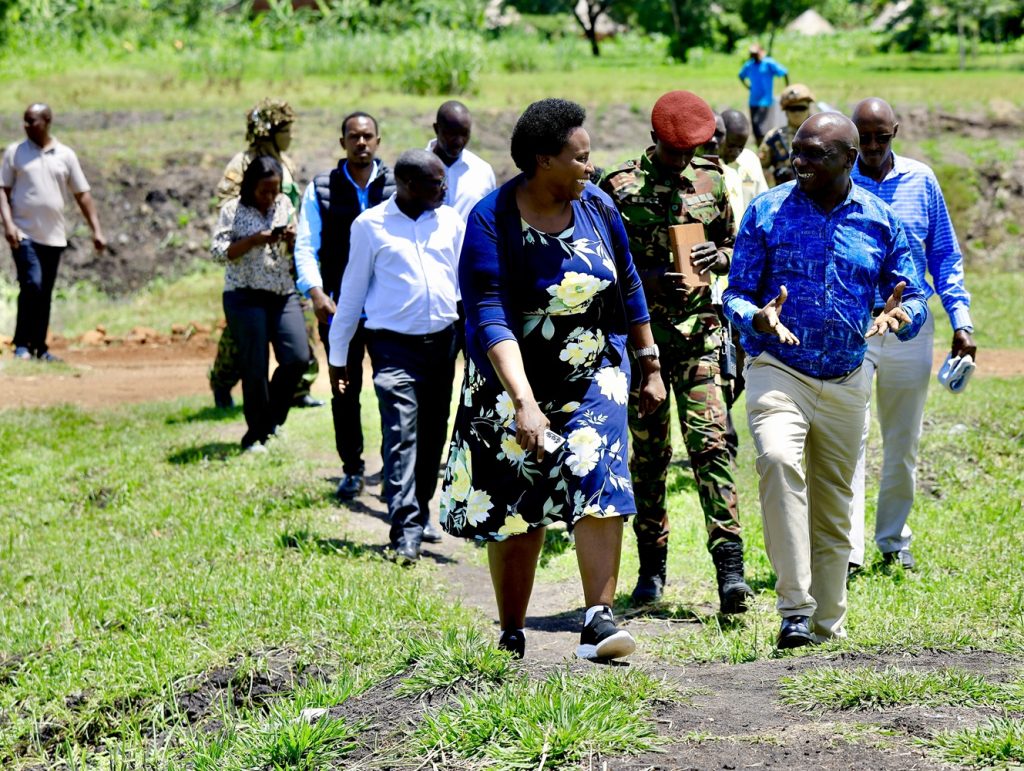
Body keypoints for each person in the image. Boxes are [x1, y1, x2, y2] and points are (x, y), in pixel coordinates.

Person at [442, 97, 666, 661]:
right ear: (544, 160)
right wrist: (524, 401)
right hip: (508, 379)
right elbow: (488, 314)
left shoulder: (597, 207)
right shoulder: (490, 219)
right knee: (518, 500)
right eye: (580, 158)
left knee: (600, 474)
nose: (591, 168)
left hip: (593, 369)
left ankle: (597, 619)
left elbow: (629, 285)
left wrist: (649, 364)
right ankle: (511, 630)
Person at [723, 113, 928, 648]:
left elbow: (913, 292)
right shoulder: (768, 210)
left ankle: (826, 625)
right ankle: (794, 609)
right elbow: (735, 292)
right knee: (776, 459)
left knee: (836, 508)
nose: (801, 162)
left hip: (846, 378)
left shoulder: (881, 220)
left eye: (815, 154)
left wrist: (904, 315)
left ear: (849, 158)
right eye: (798, 151)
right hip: (778, 370)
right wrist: (756, 317)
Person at [601, 91, 753, 613]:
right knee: (649, 459)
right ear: (654, 140)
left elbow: (737, 247)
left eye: (692, 152)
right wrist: (643, 279)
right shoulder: (618, 186)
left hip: (699, 337)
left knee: (712, 447)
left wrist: (719, 255)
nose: (683, 161)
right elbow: (599, 266)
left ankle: (731, 573)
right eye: (674, 152)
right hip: (645, 346)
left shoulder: (711, 180)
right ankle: (652, 571)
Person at [848, 97, 976, 573]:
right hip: (856, 327)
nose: (874, 147)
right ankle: (849, 550)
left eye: (883, 137)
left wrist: (961, 320)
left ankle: (892, 540)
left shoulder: (921, 180)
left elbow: (944, 256)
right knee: (850, 439)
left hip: (911, 327)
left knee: (902, 442)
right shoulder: (839, 181)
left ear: (896, 131)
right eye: (864, 139)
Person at [328, 150, 464, 565]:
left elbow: (465, 287)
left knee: (431, 436)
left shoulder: (451, 221)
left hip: (443, 344)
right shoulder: (370, 227)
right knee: (401, 433)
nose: (444, 189)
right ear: (406, 186)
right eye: (435, 183)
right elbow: (351, 294)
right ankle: (404, 529)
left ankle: (421, 510)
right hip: (392, 347)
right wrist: (338, 357)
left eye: (444, 181)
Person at [294, 112, 396, 503]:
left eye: (368, 136)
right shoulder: (321, 188)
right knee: (344, 390)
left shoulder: (396, 186)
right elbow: (306, 245)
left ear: (378, 140)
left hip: (388, 311)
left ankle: (394, 470)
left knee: (392, 391)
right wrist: (315, 292)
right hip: (338, 309)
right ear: (343, 143)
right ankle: (352, 469)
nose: (361, 143)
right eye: (354, 137)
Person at [209, 98, 322, 411]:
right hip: (249, 268)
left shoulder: (285, 161)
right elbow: (227, 210)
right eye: (286, 130)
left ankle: (298, 389)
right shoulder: (241, 164)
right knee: (239, 339)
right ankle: (222, 384)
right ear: (270, 132)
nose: (291, 136)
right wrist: (256, 232)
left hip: (284, 263)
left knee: (300, 325)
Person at [210, 156, 309, 452]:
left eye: (274, 190)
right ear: (250, 186)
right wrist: (254, 240)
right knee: (255, 365)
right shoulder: (233, 210)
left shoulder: (284, 205)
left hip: (281, 292)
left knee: (297, 358)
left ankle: (271, 420)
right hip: (244, 294)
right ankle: (255, 434)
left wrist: (291, 239)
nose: (269, 197)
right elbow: (217, 252)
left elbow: (298, 249)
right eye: (264, 191)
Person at [2, 103, 106, 362]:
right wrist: (9, 225)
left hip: (54, 236)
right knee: (32, 285)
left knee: (44, 291)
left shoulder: (65, 155)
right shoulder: (15, 153)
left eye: (32, 121)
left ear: (47, 121)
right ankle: (21, 344)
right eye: (25, 121)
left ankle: (40, 347)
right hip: (24, 233)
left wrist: (97, 230)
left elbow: (82, 194)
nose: (27, 126)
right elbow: (2, 191)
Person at [427, 100, 497, 222]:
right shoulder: (415, 169)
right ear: (436, 129)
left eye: (464, 134)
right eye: (452, 134)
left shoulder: (483, 172)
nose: (459, 141)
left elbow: (491, 218)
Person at [759, 84, 815, 187]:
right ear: (785, 111)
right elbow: (760, 167)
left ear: (808, 108)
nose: (797, 113)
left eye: (801, 108)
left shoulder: (819, 135)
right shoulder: (774, 136)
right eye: (792, 109)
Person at [738, 45, 789, 146]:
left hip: (765, 100)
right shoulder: (749, 65)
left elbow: (784, 72)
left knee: (763, 126)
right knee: (755, 126)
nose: (754, 56)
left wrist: (787, 87)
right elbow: (741, 76)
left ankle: (766, 147)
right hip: (753, 100)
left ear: (760, 53)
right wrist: (748, 87)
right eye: (752, 54)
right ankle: (759, 147)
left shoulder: (768, 63)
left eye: (755, 54)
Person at [720, 109, 769, 212]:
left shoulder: (750, 160)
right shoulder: (710, 166)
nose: (735, 152)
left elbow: (763, 200)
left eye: (740, 147)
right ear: (721, 137)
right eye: (731, 146)